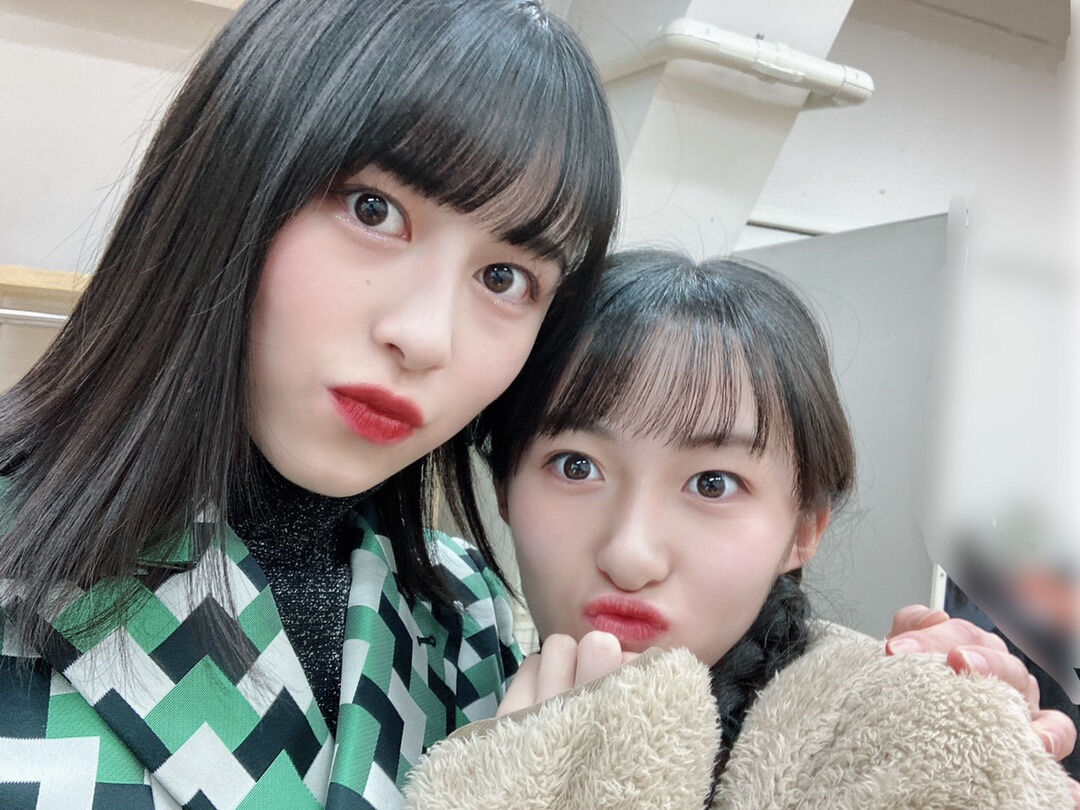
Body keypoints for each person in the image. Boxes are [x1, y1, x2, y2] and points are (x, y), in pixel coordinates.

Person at [0, 2, 1064, 808]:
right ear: (228, 174)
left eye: (506, 276)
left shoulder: (464, 616)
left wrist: (936, 711)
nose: (428, 334)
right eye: (373, 209)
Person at [402, 250, 1077, 809]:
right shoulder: (451, 672)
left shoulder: (902, 742)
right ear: (505, 491)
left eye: (713, 484)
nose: (630, 556)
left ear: (804, 530)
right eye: (577, 466)